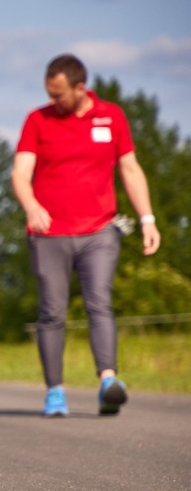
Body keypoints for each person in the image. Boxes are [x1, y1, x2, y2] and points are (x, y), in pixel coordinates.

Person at [10, 53, 161, 417]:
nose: (52, 101)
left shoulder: (111, 117)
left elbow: (130, 168)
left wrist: (147, 219)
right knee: (51, 312)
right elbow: (20, 172)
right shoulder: (37, 120)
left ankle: (108, 381)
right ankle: (55, 391)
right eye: (48, 93)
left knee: (99, 304)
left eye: (59, 94)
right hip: (49, 233)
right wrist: (31, 205)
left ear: (80, 88)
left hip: (99, 230)